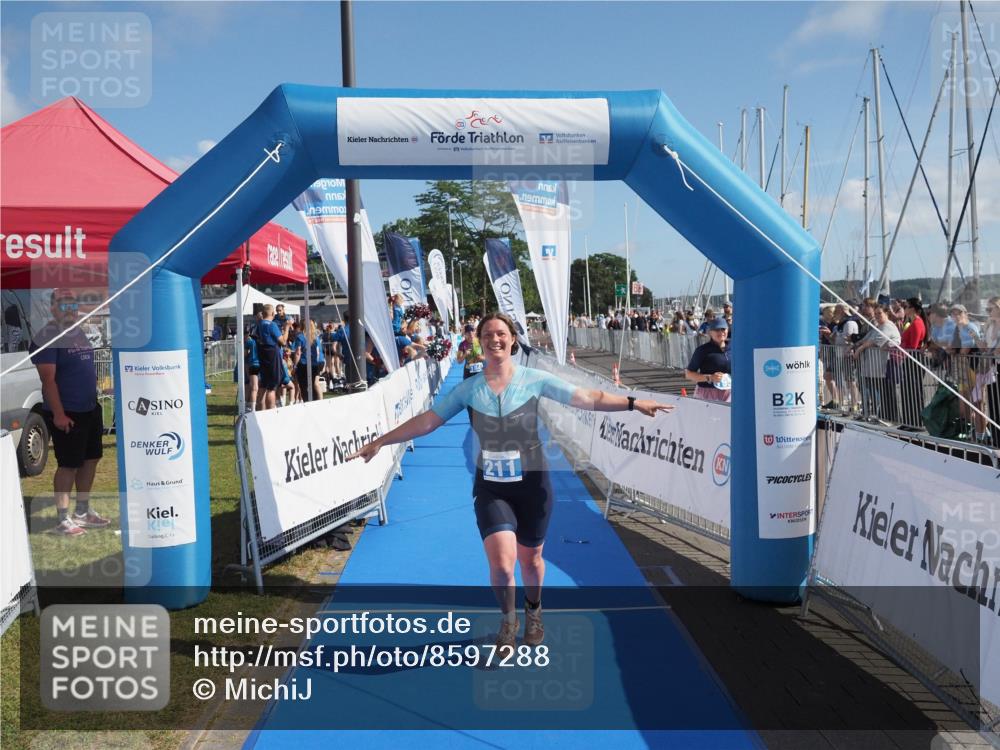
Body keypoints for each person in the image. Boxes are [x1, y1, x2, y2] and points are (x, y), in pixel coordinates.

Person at [348, 312, 674, 651]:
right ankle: (508, 619)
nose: (495, 339)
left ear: (513, 339)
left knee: (530, 561)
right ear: (479, 341)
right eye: (487, 334)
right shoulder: (468, 390)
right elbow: (428, 422)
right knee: (503, 566)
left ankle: (533, 610)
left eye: (501, 333)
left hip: (533, 486)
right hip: (491, 488)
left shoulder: (535, 380)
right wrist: (381, 441)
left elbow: (588, 398)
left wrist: (634, 403)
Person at [29, 289, 111, 536]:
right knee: (68, 465)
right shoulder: (47, 336)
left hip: (90, 408)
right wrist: (59, 414)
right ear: (52, 308)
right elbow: (48, 381)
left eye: (73, 305)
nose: (70, 310)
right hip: (68, 412)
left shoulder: (78, 333)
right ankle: (63, 520)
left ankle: (82, 512)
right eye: (64, 305)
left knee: (91, 459)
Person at [684, 317, 732, 402]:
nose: (721, 332)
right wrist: (710, 377)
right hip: (707, 393)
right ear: (710, 332)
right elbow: (689, 374)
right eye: (717, 330)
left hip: (730, 393)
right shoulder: (702, 350)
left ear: (727, 330)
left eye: (723, 329)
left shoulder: (734, 348)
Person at [898, 298, 927, 429]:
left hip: (913, 359)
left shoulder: (917, 323)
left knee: (913, 392)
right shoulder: (913, 322)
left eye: (907, 307)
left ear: (912, 309)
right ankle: (908, 420)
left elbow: (914, 345)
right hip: (909, 359)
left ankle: (915, 421)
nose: (905, 309)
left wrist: (901, 346)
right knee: (906, 391)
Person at [256, 303, 291, 410]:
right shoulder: (272, 325)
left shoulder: (260, 324)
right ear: (272, 313)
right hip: (272, 357)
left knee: (263, 386)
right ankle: (270, 413)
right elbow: (283, 341)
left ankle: (259, 412)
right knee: (271, 388)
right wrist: (287, 328)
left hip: (263, 356)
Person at [292, 319, 325, 402]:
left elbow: (298, 353)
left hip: (304, 364)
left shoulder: (300, 337)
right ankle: (318, 401)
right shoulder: (316, 337)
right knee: (314, 384)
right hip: (315, 364)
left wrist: (295, 366)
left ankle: (307, 402)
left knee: (303, 385)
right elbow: (319, 352)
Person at [244, 326, 260, 412]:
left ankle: (252, 408)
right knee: (259, 387)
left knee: (253, 387)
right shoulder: (262, 341)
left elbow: (244, 354)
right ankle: (254, 406)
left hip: (253, 364)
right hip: (261, 365)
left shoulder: (249, 342)